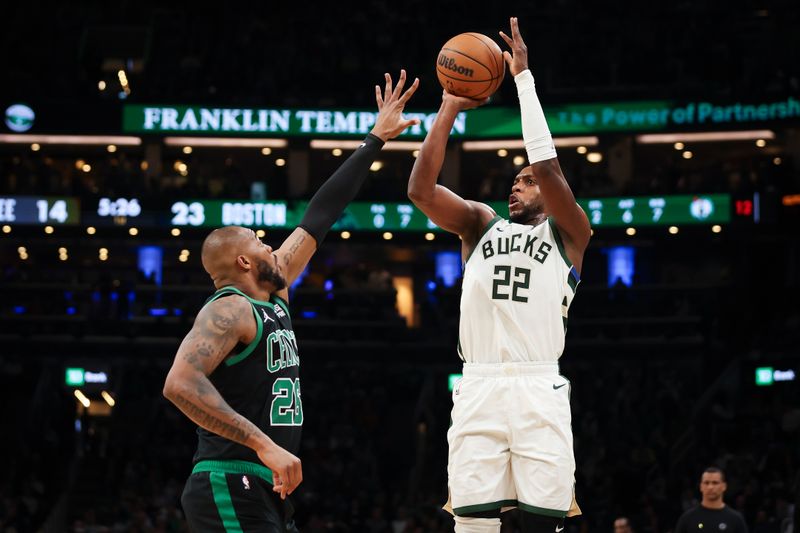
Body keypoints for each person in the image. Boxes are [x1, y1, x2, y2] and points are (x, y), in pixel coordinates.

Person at [163, 70, 420, 532]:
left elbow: (321, 213)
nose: (271, 246)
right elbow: (179, 384)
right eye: (261, 243)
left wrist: (375, 139)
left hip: (266, 488)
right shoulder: (229, 309)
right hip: (228, 480)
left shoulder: (274, 292)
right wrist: (263, 444)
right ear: (243, 262)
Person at [407, 17, 590, 533]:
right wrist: (448, 106)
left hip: (538, 385)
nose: (518, 186)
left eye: (526, 182)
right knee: (473, 525)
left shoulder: (569, 234)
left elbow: (550, 170)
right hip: (479, 383)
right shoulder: (480, 225)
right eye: (513, 181)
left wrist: (522, 81)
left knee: (542, 523)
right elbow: (421, 191)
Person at [674, 467, 748, 533]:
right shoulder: (687, 519)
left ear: (724, 486)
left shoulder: (735, 519)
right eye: (706, 483)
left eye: (715, 483)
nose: (710, 487)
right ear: (701, 486)